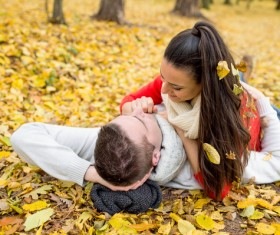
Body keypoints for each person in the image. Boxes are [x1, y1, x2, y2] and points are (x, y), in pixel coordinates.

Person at [10, 84, 280, 200]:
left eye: (120, 118)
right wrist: (265, 106)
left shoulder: (109, 144)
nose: (138, 111)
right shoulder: (198, 165)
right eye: (139, 121)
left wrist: (92, 174)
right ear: (155, 157)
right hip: (254, 119)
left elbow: (23, 135)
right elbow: (276, 161)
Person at [119, 21, 279, 199]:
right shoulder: (171, 82)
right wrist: (135, 108)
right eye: (162, 77)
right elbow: (127, 101)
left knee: (265, 105)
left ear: (205, 85)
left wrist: (180, 128)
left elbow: (219, 189)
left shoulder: (227, 116)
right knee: (236, 78)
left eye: (176, 88)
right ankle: (241, 75)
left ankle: (242, 77)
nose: (163, 90)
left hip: (256, 127)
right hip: (226, 87)